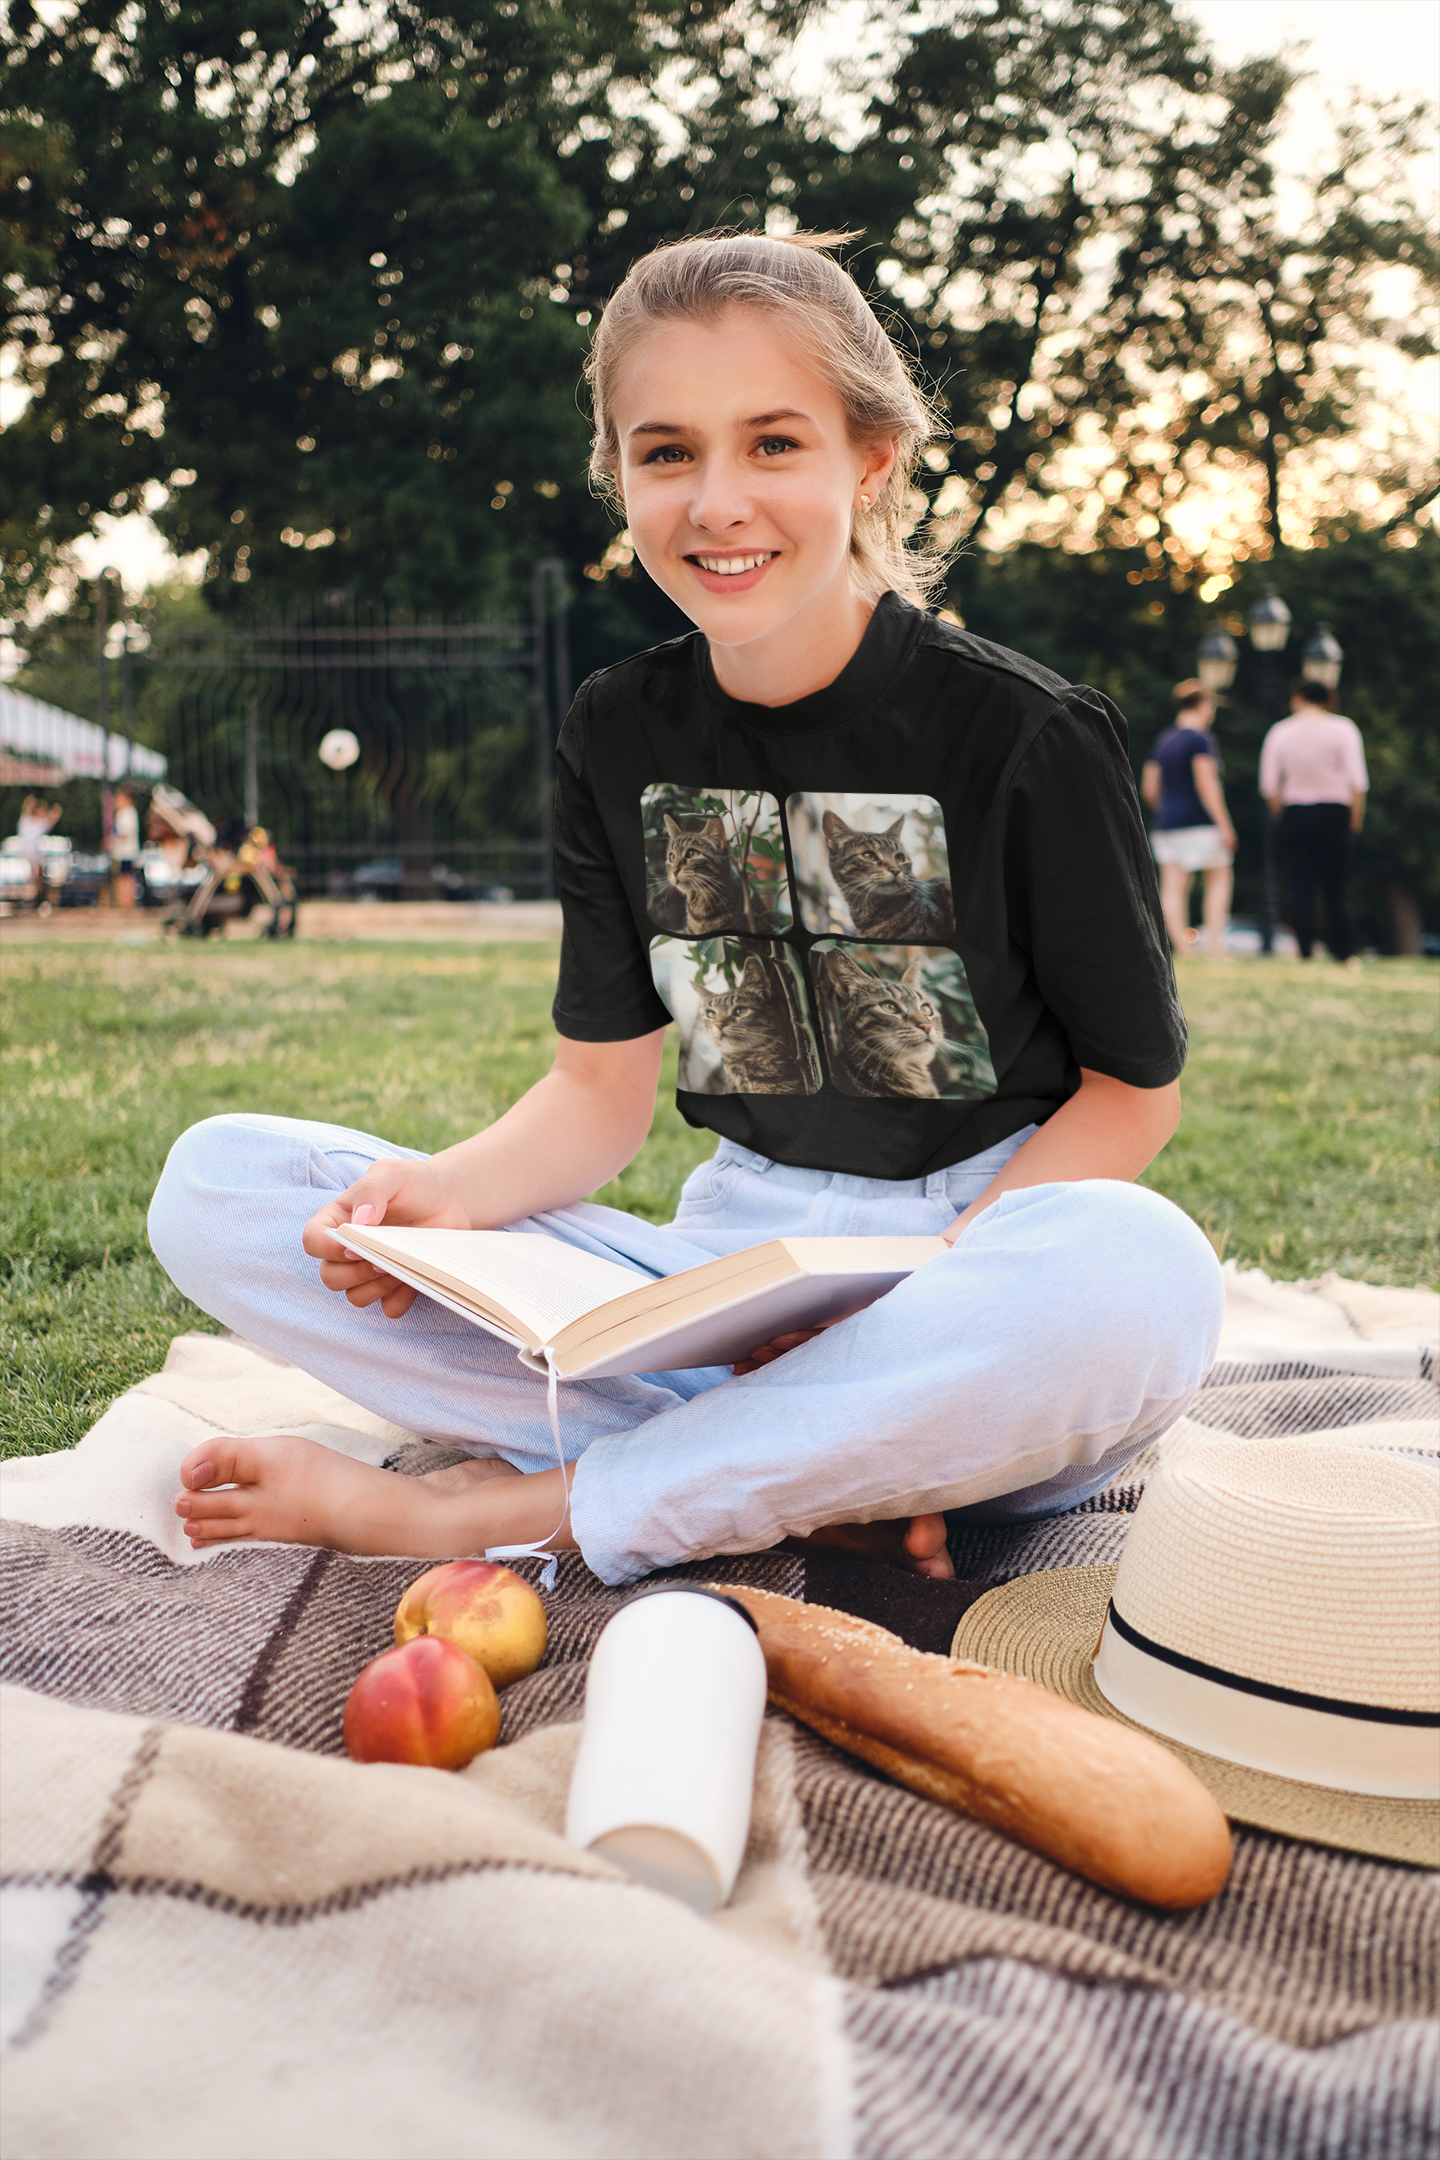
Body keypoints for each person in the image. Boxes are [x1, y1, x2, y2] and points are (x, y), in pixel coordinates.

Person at [147, 230, 1223, 1587]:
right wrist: (433, 1200)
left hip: (981, 1264)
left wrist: (904, 1308)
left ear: (871, 459)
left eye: (774, 444)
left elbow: (1134, 1098)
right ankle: (798, 1473)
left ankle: (492, 1511)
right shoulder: (618, 730)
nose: (718, 501)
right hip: (725, 1273)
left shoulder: (1029, 736)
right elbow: (596, 1101)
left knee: (1145, 1271)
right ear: (620, 477)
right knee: (223, 1183)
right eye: (667, 453)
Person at [1259, 680, 1368, 964]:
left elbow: (1269, 786)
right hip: (1335, 811)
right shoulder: (1344, 729)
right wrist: (1354, 820)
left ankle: (1305, 950)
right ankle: (1344, 952)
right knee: (1337, 886)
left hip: (1296, 812)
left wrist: (1283, 814)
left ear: (1298, 698)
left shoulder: (1280, 731)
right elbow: (1357, 781)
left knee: (1300, 886)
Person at [1141, 681, 1237, 959]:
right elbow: (1207, 785)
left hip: (1167, 824)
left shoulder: (1164, 740)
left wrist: (1166, 808)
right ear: (1204, 705)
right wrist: (1225, 825)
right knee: (1218, 879)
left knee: (1173, 886)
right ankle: (1215, 946)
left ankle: (1182, 948)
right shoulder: (1200, 738)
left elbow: (1149, 787)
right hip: (1200, 823)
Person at [109, 783, 140, 910]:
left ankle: (126, 904)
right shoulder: (127, 813)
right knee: (124, 877)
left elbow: (125, 833)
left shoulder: (126, 813)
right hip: (124, 852)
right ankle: (124, 903)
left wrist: (111, 841)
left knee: (125, 878)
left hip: (126, 852)